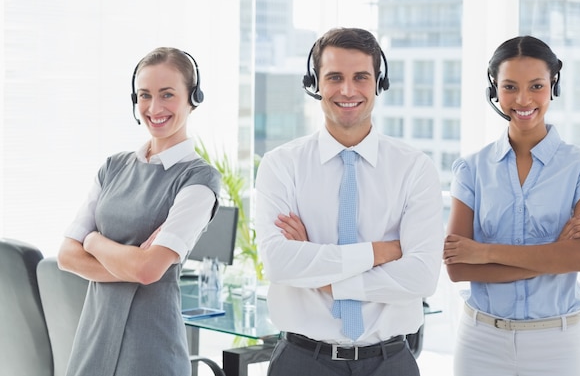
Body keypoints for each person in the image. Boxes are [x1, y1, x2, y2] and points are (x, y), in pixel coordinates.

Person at [255, 27, 443, 376]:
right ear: (315, 83)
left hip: (391, 363)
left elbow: (420, 277)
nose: (347, 90)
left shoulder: (414, 168)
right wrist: (381, 251)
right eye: (334, 77)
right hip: (301, 362)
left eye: (360, 77)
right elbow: (279, 263)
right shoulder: (281, 165)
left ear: (378, 83)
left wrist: (317, 269)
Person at [443, 35, 580, 376]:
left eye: (536, 86)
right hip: (480, 340)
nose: (523, 99)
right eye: (510, 87)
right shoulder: (470, 169)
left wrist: (484, 252)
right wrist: (553, 254)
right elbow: (458, 267)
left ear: (552, 86)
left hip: (558, 343)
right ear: (494, 89)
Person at [57, 47, 221, 376]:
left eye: (167, 95)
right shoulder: (114, 167)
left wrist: (91, 241)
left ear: (193, 98)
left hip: (151, 350)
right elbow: (66, 256)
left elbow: (149, 271)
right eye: (145, 95)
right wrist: (132, 263)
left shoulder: (198, 178)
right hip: (92, 341)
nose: (154, 107)